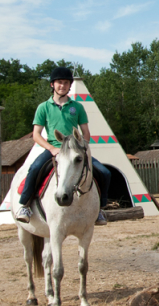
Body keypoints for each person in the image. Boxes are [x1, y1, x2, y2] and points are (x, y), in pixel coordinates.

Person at [15, 67, 110, 225]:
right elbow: (36, 134)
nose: (62, 85)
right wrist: (51, 149)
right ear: (52, 84)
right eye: (59, 82)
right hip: (54, 149)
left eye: (66, 83)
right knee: (35, 168)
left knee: (105, 172)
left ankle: (99, 209)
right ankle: (24, 205)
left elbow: (86, 132)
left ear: (69, 85)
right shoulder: (43, 107)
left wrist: (82, 147)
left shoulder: (77, 107)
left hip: (75, 150)